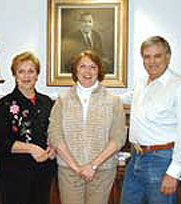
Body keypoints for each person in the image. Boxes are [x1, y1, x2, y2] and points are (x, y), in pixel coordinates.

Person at [48, 50, 126, 204]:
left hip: (102, 171)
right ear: (75, 70)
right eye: (82, 66)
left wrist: (93, 165)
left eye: (93, 67)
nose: (87, 71)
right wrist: (76, 167)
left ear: (99, 71)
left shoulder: (113, 101)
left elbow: (118, 138)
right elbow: (55, 135)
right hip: (69, 171)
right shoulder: (62, 100)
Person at [120, 36, 181, 204]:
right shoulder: (142, 82)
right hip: (135, 159)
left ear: (168, 57)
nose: (152, 61)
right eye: (147, 56)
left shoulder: (178, 86)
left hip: (162, 161)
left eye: (157, 56)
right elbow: (126, 99)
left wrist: (174, 173)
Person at [0, 51, 56, 204]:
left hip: (43, 171)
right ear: (14, 75)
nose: (26, 76)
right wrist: (31, 148)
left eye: (31, 71)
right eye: (21, 71)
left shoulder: (47, 102)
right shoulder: (4, 105)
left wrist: (54, 148)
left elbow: (54, 132)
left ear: (37, 75)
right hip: (15, 175)